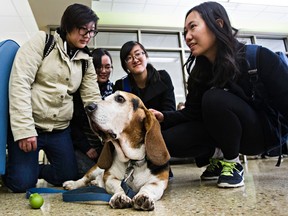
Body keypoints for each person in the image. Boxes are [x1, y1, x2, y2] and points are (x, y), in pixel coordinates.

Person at [150, 1, 288, 188]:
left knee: (214, 98)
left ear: (218, 24)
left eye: (193, 27)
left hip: (263, 134)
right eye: (185, 33)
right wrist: (164, 117)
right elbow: (191, 114)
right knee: (167, 140)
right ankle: (219, 157)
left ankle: (232, 164)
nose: (187, 37)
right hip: (227, 133)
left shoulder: (258, 57)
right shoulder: (200, 74)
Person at [3, 3, 102, 192]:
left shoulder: (86, 61)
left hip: (60, 130)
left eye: (92, 31)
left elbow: (93, 99)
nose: (88, 35)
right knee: (21, 184)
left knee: (66, 177)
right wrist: (24, 130)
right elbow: (19, 82)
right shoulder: (43, 42)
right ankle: (20, 169)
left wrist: (106, 130)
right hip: (31, 125)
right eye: (83, 29)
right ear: (68, 25)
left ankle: (33, 169)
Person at [72, 48, 114, 177]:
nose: (103, 71)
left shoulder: (114, 91)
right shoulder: (79, 92)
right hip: (83, 145)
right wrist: (86, 147)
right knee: (91, 174)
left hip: (105, 146)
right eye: (98, 67)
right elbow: (72, 124)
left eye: (107, 67)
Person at [114, 41, 176, 112]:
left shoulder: (162, 78)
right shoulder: (121, 86)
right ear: (125, 65)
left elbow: (170, 112)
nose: (135, 60)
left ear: (145, 56)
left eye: (137, 54)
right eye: (129, 58)